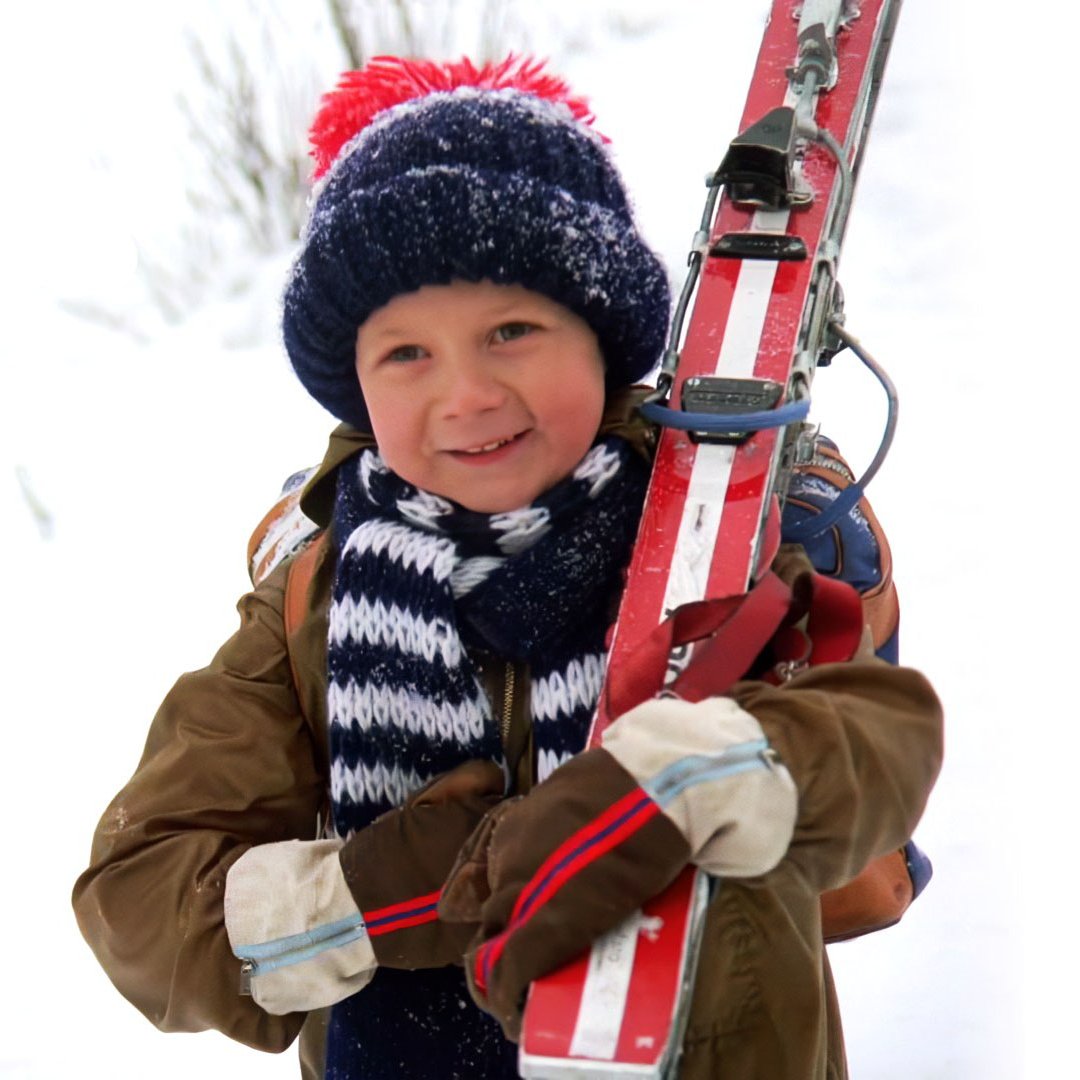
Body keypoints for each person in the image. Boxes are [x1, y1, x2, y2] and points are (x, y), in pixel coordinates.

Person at [73, 56, 943, 1080]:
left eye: (513, 332)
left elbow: (882, 739)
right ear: (352, 386)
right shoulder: (317, 592)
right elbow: (139, 895)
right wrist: (368, 897)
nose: (469, 397)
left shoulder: (720, 521)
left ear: (602, 335)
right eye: (406, 355)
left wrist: (684, 781)